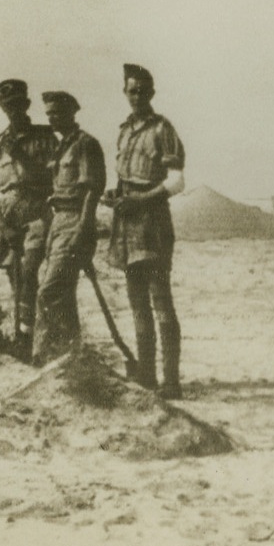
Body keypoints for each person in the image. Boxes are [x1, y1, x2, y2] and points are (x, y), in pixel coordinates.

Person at [105, 63, 186, 398]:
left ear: (151, 93)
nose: (136, 96)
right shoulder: (124, 131)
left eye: (142, 90)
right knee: (137, 303)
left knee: (160, 301)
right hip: (126, 225)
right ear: (124, 92)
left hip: (152, 223)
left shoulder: (161, 128)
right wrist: (115, 195)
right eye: (131, 90)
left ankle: (171, 381)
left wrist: (139, 201)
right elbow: (126, 179)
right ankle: (146, 375)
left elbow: (177, 181)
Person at [0, 79, 59, 358]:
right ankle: (26, 333)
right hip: (7, 220)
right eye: (6, 106)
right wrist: (3, 226)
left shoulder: (46, 137)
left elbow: (55, 179)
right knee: (17, 280)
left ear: (26, 105)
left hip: (37, 215)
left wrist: (21, 157)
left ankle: (26, 340)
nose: (12, 111)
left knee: (28, 274)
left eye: (16, 105)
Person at [32, 91, 106, 365]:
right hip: (57, 221)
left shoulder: (85, 144)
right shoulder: (61, 147)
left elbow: (92, 189)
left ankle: (43, 354)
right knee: (63, 293)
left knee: (48, 291)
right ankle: (72, 354)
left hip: (75, 219)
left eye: (58, 113)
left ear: (72, 113)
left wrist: (83, 228)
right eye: (49, 114)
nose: (52, 119)